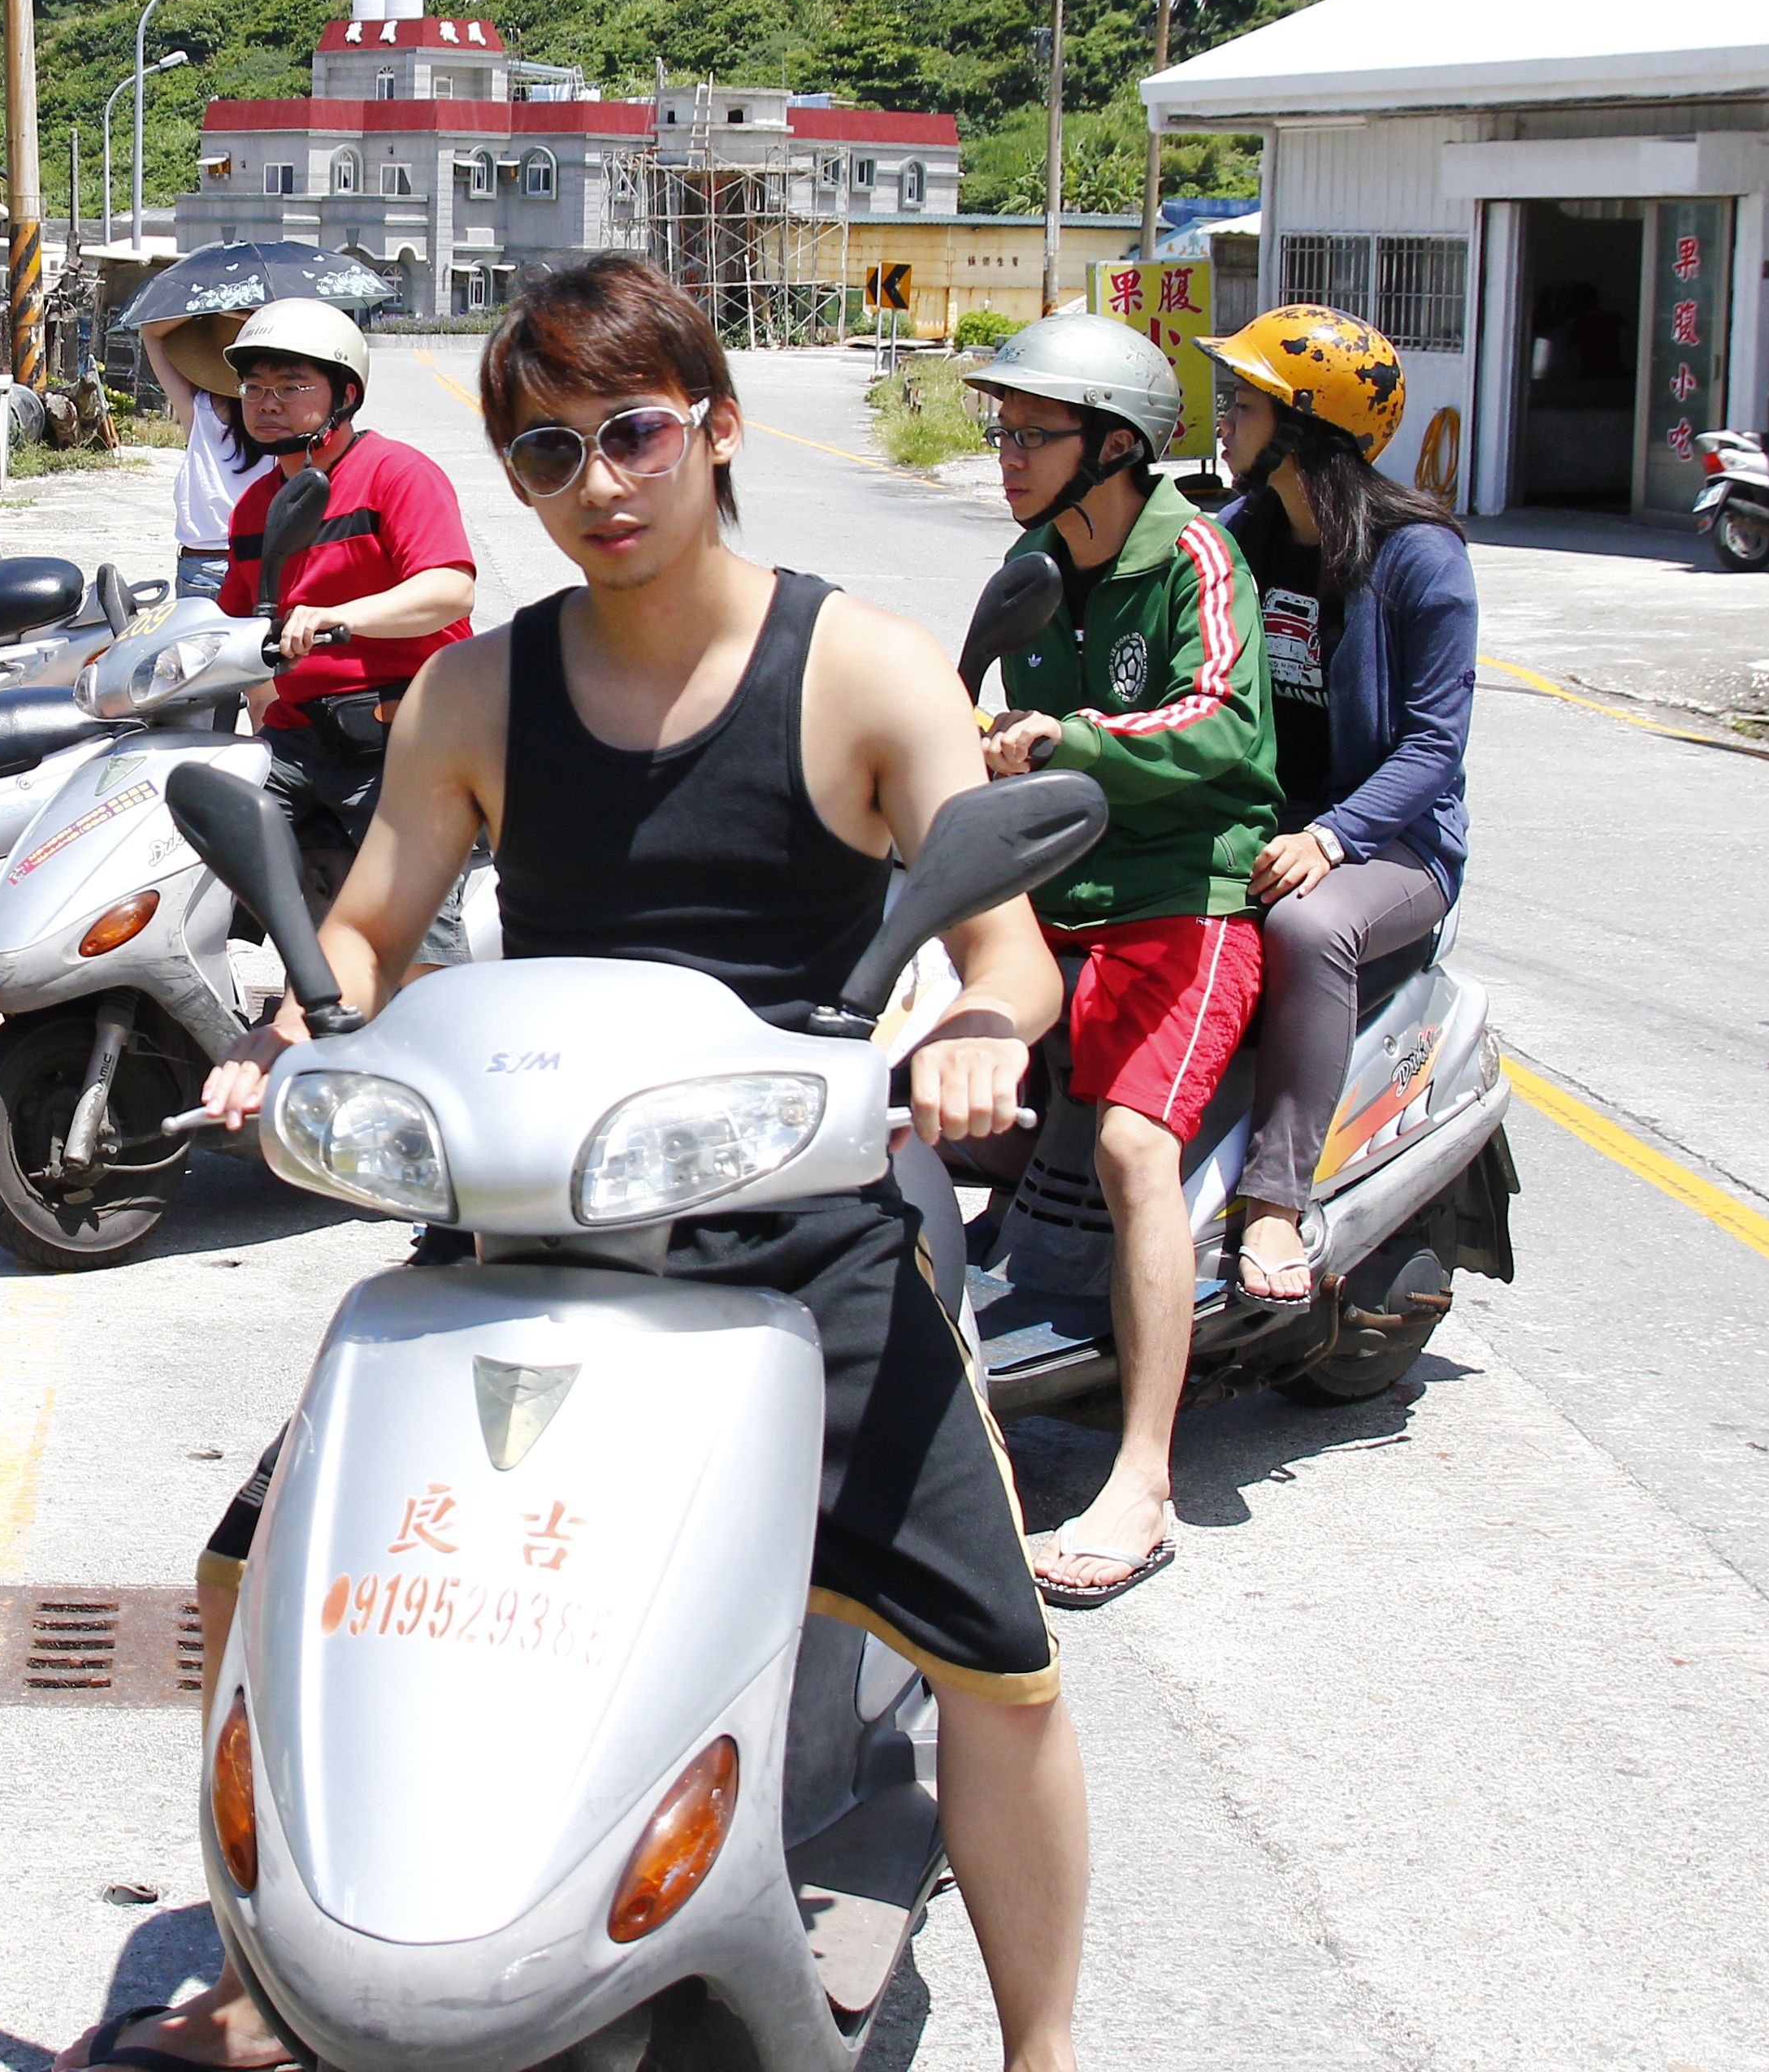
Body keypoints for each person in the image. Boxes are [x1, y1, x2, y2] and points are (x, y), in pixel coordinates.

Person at [91, 254, 1085, 2072]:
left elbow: (1005, 949)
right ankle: (259, 1981)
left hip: (801, 1233)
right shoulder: (474, 693)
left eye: (632, 433)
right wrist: (294, 1026)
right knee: (255, 1569)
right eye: (547, 455)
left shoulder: (861, 670)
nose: (599, 485)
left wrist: (970, 1037)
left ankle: (1045, 2052)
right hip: (528, 1226)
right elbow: (368, 927)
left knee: (996, 1664)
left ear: (716, 427)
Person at [965, 310, 1272, 1607]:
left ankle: (1142, 1479)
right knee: (903, 1078)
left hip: (1178, 895)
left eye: (1032, 435)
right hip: (1051, 891)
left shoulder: (1195, 553)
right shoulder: (1032, 560)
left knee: (1135, 1149)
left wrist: (1069, 739)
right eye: (1001, 431)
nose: (1007, 456)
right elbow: (967, 698)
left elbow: (1226, 724)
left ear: (1115, 445)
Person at [1204, 305, 1476, 1311]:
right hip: (1272, 820)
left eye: (1243, 405)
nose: (1224, 421)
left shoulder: (1418, 557)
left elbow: (1433, 747)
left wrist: (1332, 835)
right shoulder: (1241, 535)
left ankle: (1277, 1200)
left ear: (1304, 429)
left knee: (1307, 928)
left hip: (1394, 844)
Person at [211, 296, 478, 913]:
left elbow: (449, 590)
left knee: (414, 918)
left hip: (403, 734)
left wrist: (342, 617)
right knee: (196, 851)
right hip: (298, 738)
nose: (268, 403)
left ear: (346, 395)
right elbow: (235, 626)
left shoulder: (397, 475)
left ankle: (425, 973)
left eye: (291, 386)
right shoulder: (254, 508)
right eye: (254, 388)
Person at [140, 307, 265, 604]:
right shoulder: (277, 415)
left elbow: (150, 332)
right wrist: (260, 318)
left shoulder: (197, 408)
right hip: (259, 558)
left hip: (202, 563)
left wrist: (212, 307)